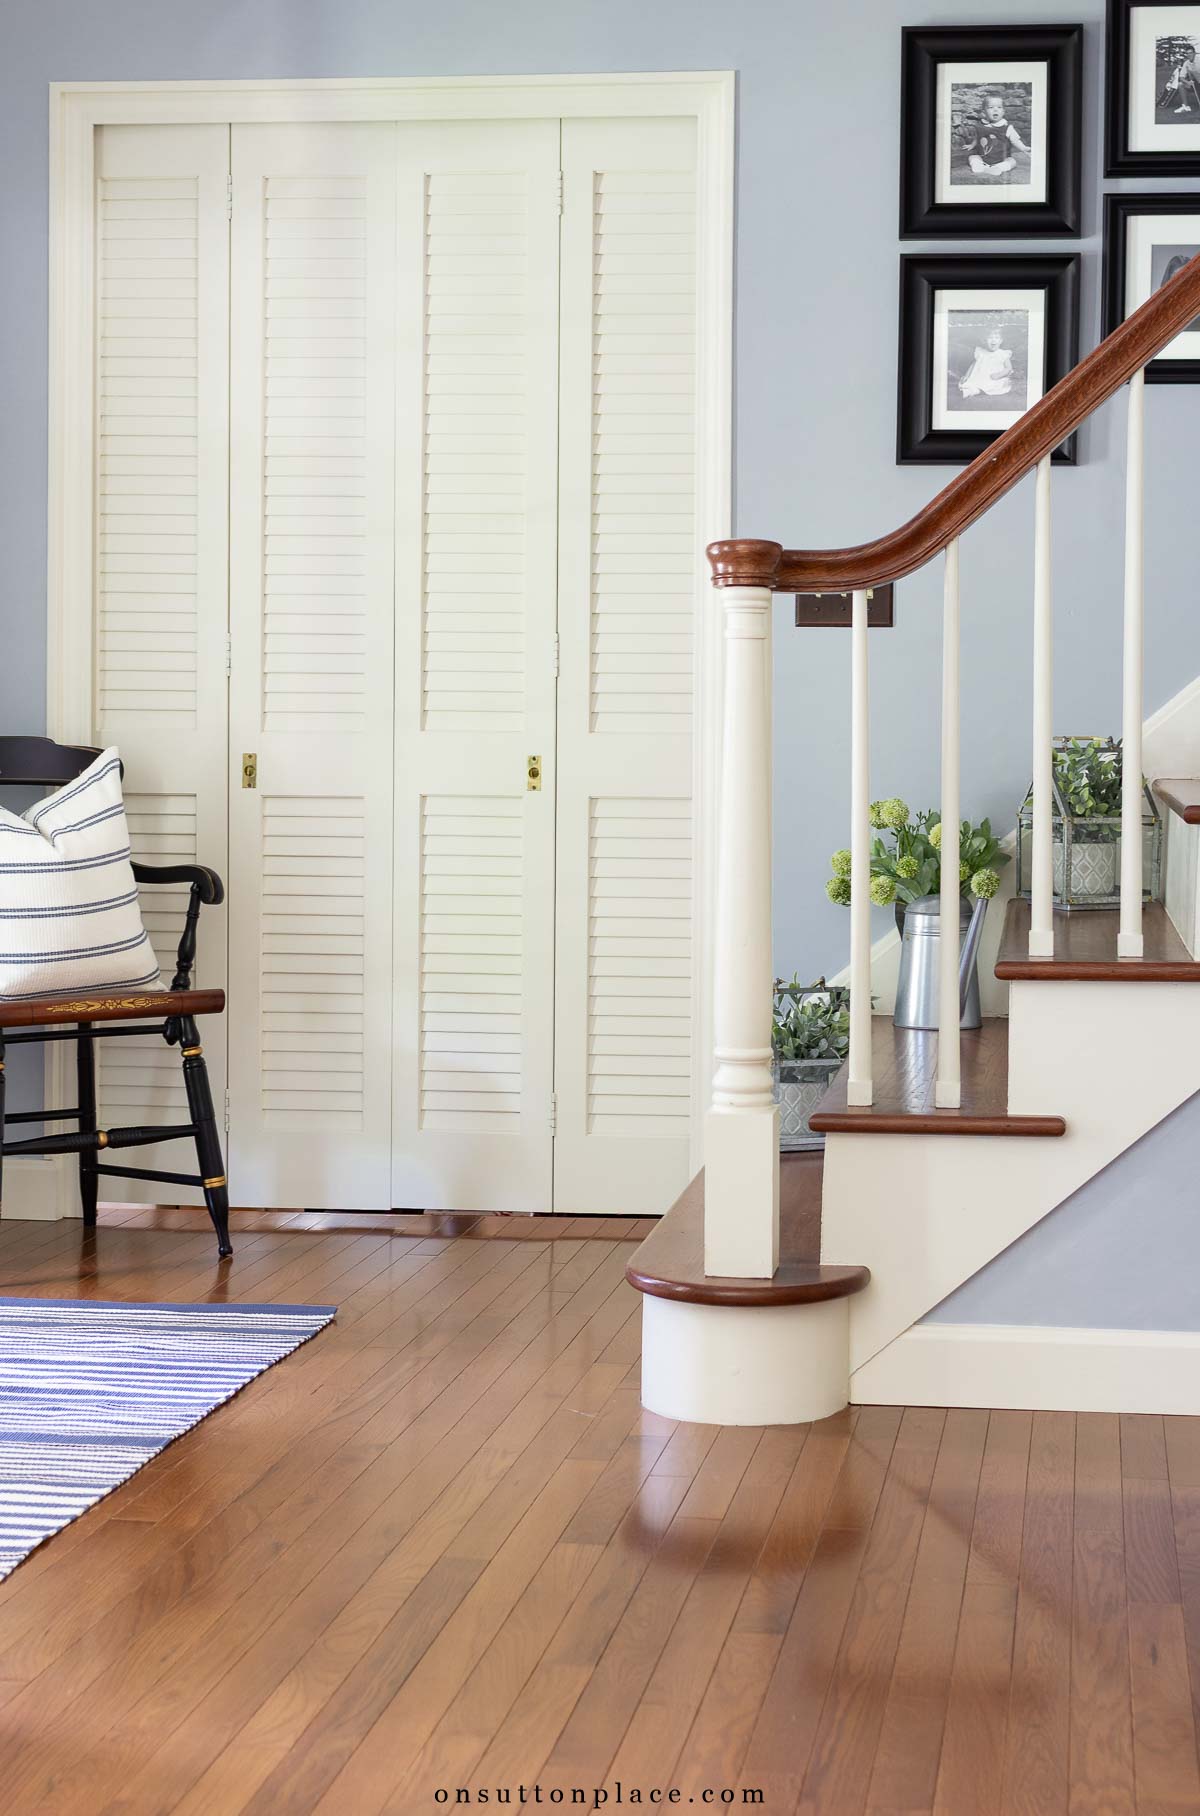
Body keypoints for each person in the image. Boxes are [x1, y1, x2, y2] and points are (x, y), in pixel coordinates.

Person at [964, 91, 1031, 178]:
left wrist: (1023, 148)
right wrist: (972, 145)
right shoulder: (980, 125)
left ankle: (998, 168)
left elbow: (1015, 140)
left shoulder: (1007, 127)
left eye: (999, 107)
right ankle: (979, 166)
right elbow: (978, 137)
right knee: (972, 157)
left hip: (1002, 158)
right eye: (991, 107)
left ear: (1003, 111)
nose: (995, 110)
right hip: (983, 157)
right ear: (984, 112)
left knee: (1012, 161)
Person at [958, 325, 1014, 400]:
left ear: (1001, 341)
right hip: (980, 376)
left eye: (996, 338)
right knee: (970, 383)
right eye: (990, 338)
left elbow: (1008, 368)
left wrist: (999, 375)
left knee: (997, 385)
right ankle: (971, 390)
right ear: (984, 340)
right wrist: (967, 375)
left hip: (994, 378)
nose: (993, 340)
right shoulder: (981, 352)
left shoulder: (1003, 354)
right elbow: (973, 365)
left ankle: (974, 391)